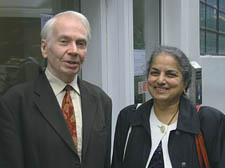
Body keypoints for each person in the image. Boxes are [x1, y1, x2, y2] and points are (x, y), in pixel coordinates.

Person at [0, 11, 112, 168]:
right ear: (44, 48)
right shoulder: (14, 103)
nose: (74, 50)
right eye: (64, 42)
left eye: (81, 43)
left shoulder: (101, 100)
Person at [111, 46, 225, 168]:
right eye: (154, 73)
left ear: (185, 84)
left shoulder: (210, 121)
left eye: (170, 74)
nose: (160, 80)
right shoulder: (129, 117)